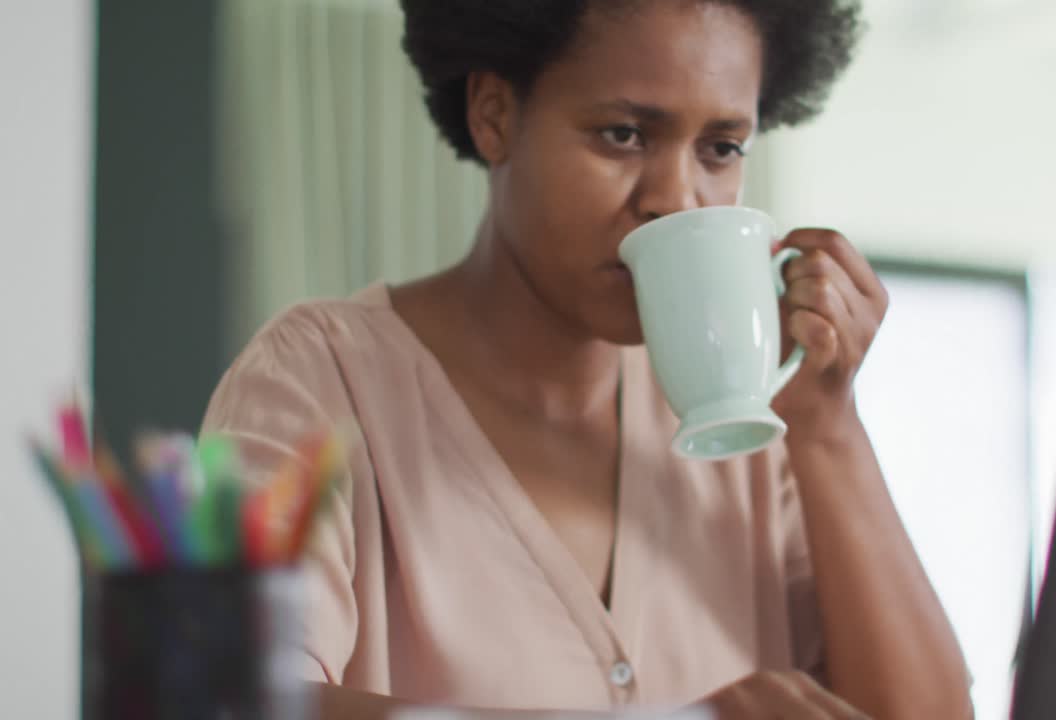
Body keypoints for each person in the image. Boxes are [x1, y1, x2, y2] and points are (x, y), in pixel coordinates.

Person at [202, 1, 972, 718]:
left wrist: (830, 427)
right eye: (624, 135)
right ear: (494, 114)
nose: (677, 197)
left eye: (721, 148)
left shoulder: (752, 434)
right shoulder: (318, 381)